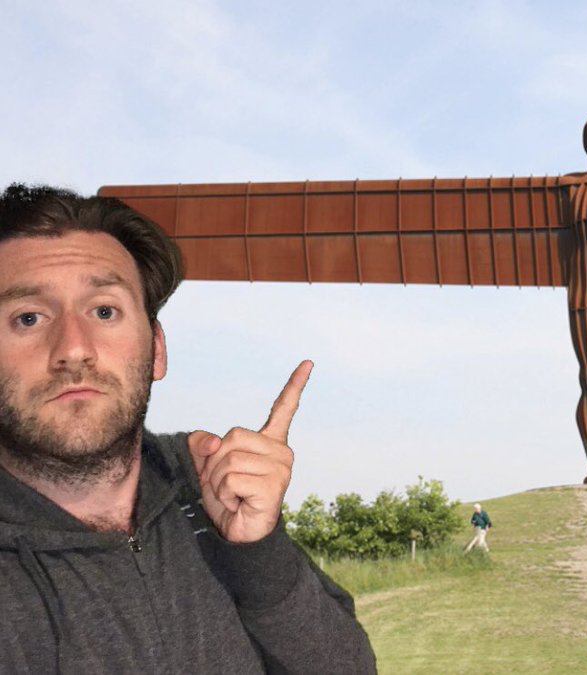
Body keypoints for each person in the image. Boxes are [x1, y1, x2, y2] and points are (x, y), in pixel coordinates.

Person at [0, 184, 376, 673]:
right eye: (28, 318)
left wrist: (257, 556)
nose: (74, 348)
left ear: (156, 350)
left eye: (104, 311)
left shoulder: (204, 482)